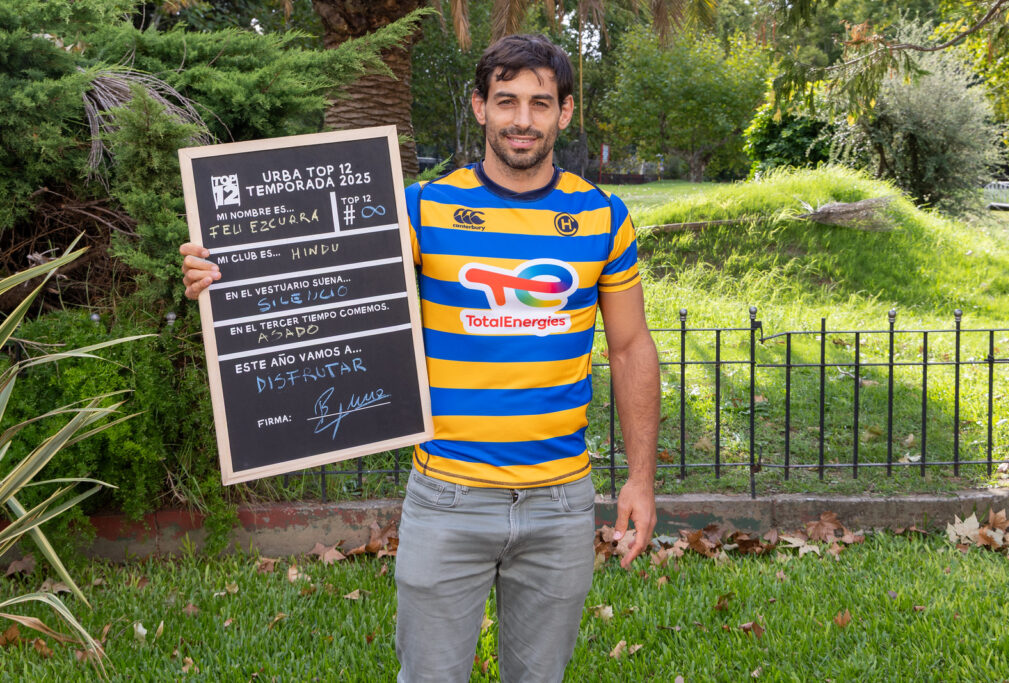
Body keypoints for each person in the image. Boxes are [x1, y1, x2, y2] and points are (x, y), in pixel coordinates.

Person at [180, 33, 659, 682]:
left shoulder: (603, 216)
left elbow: (630, 348)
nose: (522, 119)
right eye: (507, 101)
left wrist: (640, 480)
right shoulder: (424, 207)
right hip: (447, 497)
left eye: (540, 103)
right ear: (480, 107)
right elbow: (327, 271)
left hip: (560, 502)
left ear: (565, 112)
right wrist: (225, 271)